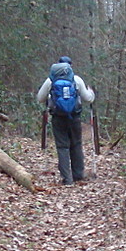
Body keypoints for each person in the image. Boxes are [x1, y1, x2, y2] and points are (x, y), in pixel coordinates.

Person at [37, 56, 95, 185]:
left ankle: (67, 179)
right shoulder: (76, 79)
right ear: (70, 66)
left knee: (62, 147)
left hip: (58, 118)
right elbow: (88, 98)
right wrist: (91, 92)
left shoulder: (51, 80)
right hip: (74, 117)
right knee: (76, 144)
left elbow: (40, 98)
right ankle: (78, 175)